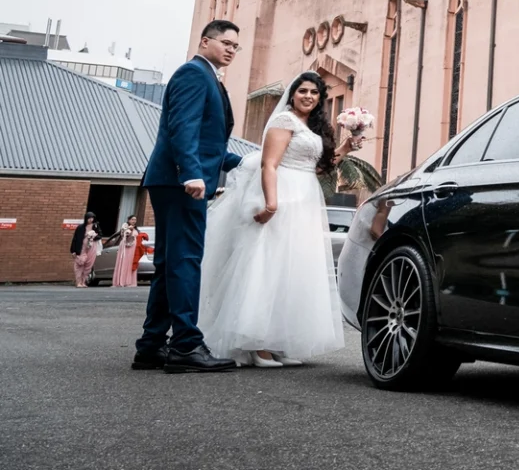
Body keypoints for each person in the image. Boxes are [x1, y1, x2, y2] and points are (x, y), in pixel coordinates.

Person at [199, 71, 359, 368]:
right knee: (268, 266)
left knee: (291, 269)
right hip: (282, 194)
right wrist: (271, 204)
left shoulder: (308, 127)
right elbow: (269, 164)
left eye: (314, 92)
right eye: (303, 91)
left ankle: (275, 341)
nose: (308, 96)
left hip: (305, 198)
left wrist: (346, 148)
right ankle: (255, 345)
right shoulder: (283, 121)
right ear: (293, 94)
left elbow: (317, 169)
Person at [133, 20, 246, 373]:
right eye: (225, 42)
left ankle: (151, 346)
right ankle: (185, 345)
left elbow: (210, 142)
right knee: (185, 261)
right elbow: (182, 126)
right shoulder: (194, 74)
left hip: (175, 179)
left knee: (170, 263)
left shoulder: (209, 77)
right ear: (205, 41)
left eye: (235, 46)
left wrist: (249, 163)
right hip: (180, 182)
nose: (230, 49)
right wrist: (192, 173)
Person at [104, 215, 146, 288]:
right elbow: (124, 235)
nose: (134, 221)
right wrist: (128, 230)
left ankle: (130, 282)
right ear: (129, 220)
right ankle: (121, 281)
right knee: (124, 263)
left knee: (131, 263)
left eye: (135, 220)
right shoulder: (125, 227)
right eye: (132, 219)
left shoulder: (136, 229)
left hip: (133, 248)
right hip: (126, 247)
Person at [69, 213, 101, 288]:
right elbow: (75, 239)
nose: (91, 220)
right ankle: (78, 282)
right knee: (79, 264)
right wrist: (73, 250)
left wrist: (93, 236)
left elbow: (100, 235)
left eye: (92, 218)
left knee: (88, 265)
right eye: (89, 218)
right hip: (81, 247)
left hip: (91, 247)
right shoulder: (80, 227)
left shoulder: (95, 226)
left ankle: (83, 281)